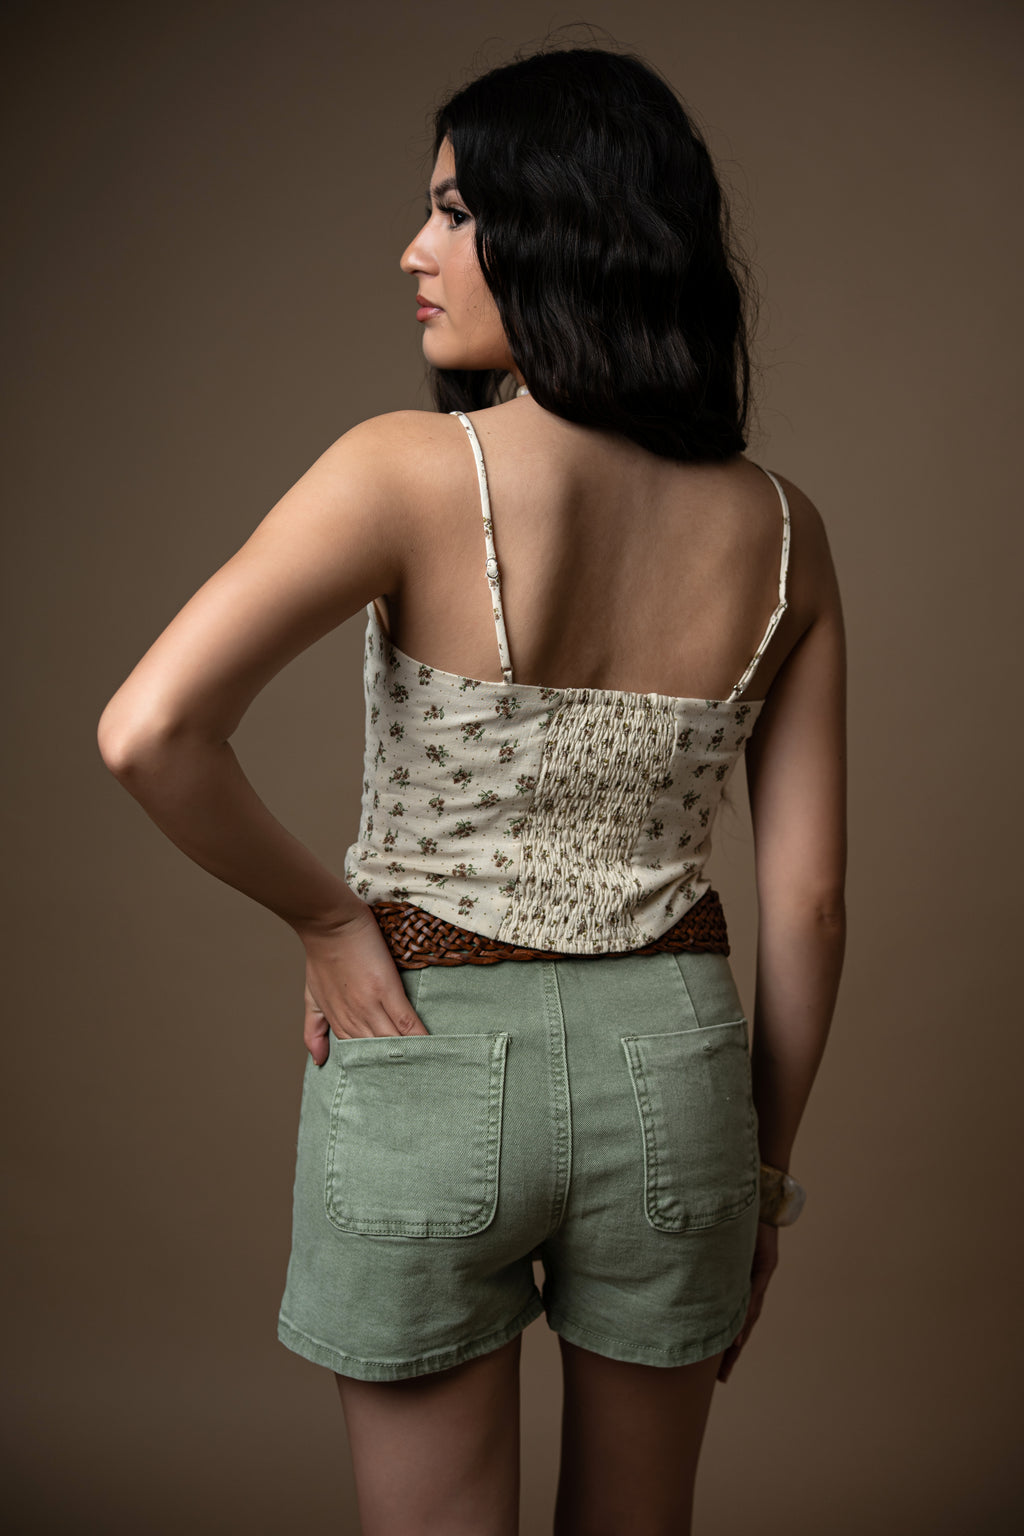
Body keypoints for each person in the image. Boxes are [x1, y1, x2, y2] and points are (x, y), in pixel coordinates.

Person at [98, 43, 845, 1536]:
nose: (413, 250)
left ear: (562, 224)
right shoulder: (782, 530)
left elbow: (151, 730)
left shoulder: (408, 469)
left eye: (452, 209)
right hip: (680, 1080)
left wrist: (324, 919)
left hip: (422, 1047)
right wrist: (760, 1180)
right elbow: (809, 905)